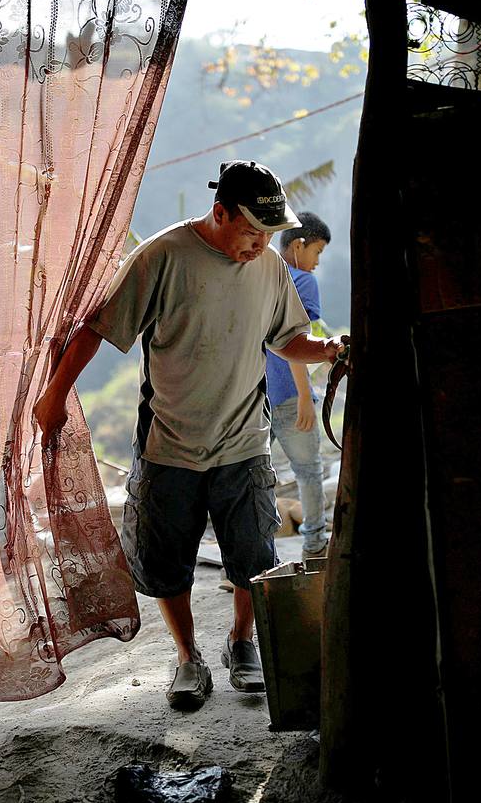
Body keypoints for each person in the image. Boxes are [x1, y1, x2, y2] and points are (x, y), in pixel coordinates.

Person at [33, 160, 343, 711]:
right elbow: (98, 329)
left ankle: (241, 642)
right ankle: (187, 656)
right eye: (251, 232)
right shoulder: (163, 256)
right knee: (167, 561)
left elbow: (287, 338)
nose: (260, 245)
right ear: (220, 212)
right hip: (170, 443)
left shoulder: (270, 269)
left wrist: (328, 350)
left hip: (244, 439)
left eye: (269, 234)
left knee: (255, 553)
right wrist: (54, 396)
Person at [264, 211, 333, 561]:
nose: (317, 262)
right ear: (299, 245)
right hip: (291, 395)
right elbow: (295, 340)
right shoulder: (303, 281)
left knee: (253, 477)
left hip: (255, 395)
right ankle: (315, 545)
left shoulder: (260, 274)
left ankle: (255, 555)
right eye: (317, 252)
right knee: (308, 472)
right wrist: (306, 395)